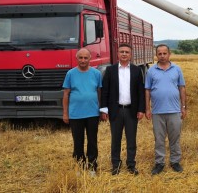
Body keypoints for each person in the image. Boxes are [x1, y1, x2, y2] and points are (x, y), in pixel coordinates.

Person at [100, 43, 145, 175]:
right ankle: (116, 165)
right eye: (121, 52)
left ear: (130, 55)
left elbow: (140, 92)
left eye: (127, 52)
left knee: (131, 139)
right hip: (116, 111)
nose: (124, 54)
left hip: (131, 110)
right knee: (116, 139)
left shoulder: (137, 70)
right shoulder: (110, 70)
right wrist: (104, 109)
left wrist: (141, 109)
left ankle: (131, 165)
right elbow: (105, 91)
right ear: (118, 54)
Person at [145, 44, 187, 175]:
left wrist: (184, 107)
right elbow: (147, 90)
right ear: (156, 55)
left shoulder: (177, 69)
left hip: (174, 110)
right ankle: (159, 163)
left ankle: (175, 161)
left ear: (169, 54)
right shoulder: (151, 71)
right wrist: (147, 108)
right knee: (159, 139)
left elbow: (182, 88)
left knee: (175, 138)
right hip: (157, 111)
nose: (162, 56)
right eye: (159, 54)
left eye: (164, 53)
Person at [62, 48, 102, 175]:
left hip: (93, 113)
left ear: (90, 58)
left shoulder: (96, 73)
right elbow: (66, 94)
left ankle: (92, 167)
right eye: (81, 58)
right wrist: (65, 113)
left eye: (86, 58)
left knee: (92, 141)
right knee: (78, 142)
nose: (83, 60)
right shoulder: (70, 74)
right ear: (76, 58)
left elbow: (99, 93)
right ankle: (80, 166)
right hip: (75, 114)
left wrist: (101, 110)